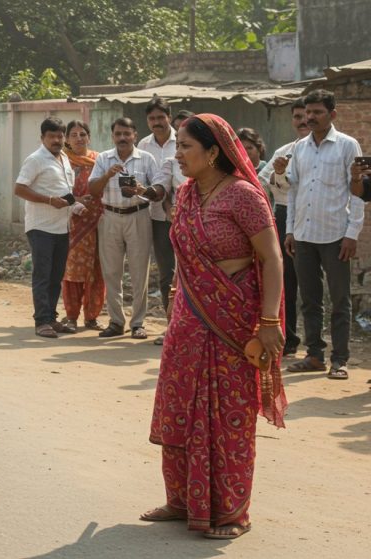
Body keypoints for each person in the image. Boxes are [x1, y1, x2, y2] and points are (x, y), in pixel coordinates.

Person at [144, 113, 287, 539]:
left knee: (227, 413)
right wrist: (174, 294)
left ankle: (230, 512)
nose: (178, 154)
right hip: (189, 314)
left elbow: (273, 258)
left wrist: (268, 320)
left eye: (185, 146)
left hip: (234, 316)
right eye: (176, 146)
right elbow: (184, 253)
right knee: (181, 404)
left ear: (212, 152)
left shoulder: (244, 195)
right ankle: (181, 500)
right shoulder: (186, 194)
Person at [284, 89, 364, 380]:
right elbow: (293, 191)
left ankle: (340, 360)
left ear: (332, 114)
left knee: (340, 300)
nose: (311, 117)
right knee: (309, 299)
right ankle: (314, 355)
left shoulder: (347, 145)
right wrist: (291, 230)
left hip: (335, 235)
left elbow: (357, 194)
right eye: (308, 112)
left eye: (318, 112)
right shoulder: (300, 147)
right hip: (304, 234)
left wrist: (352, 232)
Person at [87, 118, 163, 339]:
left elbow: (157, 191)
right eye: (118, 133)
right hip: (110, 216)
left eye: (126, 133)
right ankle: (116, 321)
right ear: (113, 136)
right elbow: (92, 189)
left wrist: (141, 189)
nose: (122, 138)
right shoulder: (103, 158)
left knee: (140, 272)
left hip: (138, 216)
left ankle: (138, 323)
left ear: (134, 135)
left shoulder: (146, 159)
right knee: (111, 272)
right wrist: (108, 175)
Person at [13, 117, 76, 338]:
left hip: (62, 226)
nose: (57, 140)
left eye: (60, 136)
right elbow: (19, 189)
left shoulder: (64, 159)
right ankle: (41, 321)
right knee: (42, 275)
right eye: (52, 136)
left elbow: (64, 191)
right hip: (41, 227)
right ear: (43, 138)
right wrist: (49, 200)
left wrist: (76, 204)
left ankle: (51, 317)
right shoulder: (35, 159)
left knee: (56, 275)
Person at [258, 98, 309, 356]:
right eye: (298, 117)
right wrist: (278, 176)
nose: (303, 121)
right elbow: (260, 182)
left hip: (316, 220)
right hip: (284, 216)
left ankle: (317, 348)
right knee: (287, 282)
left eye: (307, 116)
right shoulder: (284, 152)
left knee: (313, 285)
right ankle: (289, 339)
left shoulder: (337, 148)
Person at [137, 98, 177, 345]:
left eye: (160, 118)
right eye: (152, 119)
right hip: (158, 218)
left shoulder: (182, 140)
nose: (156, 123)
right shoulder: (143, 146)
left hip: (188, 218)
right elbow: (155, 184)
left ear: (169, 118)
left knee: (190, 274)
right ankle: (171, 326)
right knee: (166, 275)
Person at [61, 120, 104, 331]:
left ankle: (92, 317)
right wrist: (76, 199)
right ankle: (71, 316)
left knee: (98, 270)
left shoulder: (100, 160)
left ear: (89, 137)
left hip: (99, 223)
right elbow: (57, 188)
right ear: (67, 139)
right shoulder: (62, 161)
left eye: (82, 134)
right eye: (74, 135)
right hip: (73, 223)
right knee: (72, 272)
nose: (79, 138)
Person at [237, 128, 271, 202]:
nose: (245, 152)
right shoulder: (234, 172)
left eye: (249, 148)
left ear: (259, 149)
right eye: (241, 148)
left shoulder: (268, 171)